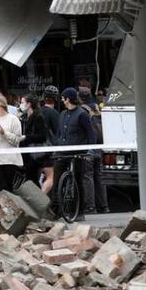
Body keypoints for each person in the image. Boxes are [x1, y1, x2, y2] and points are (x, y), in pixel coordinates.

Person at [56, 88, 97, 220]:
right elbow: (59, 133)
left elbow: (91, 132)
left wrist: (90, 150)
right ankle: (56, 209)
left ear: (68, 99)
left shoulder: (81, 114)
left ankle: (79, 212)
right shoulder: (62, 114)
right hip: (63, 150)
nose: (62, 100)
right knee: (57, 177)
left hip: (78, 151)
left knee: (78, 179)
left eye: (63, 98)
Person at [78, 86, 108, 214]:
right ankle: (104, 206)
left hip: (89, 146)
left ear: (79, 98)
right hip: (100, 146)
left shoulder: (82, 110)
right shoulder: (98, 107)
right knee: (99, 176)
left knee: (87, 176)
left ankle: (90, 206)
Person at [19, 94, 50, 188]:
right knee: (29, 179)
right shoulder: (24, 117)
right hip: (26, 153)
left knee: (32, 180)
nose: (20, 105)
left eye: (22, 102)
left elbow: (42, 136)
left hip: (34, 154)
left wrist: (26, 137)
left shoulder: (38, 116)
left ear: (29, 104)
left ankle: (38, 200)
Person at [38, 87, 61, 195]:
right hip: (47, 150)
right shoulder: (54, 113)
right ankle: (40, 200)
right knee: (51, 177)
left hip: (34, 149)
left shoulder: (37, 111)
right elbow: (58, 133)